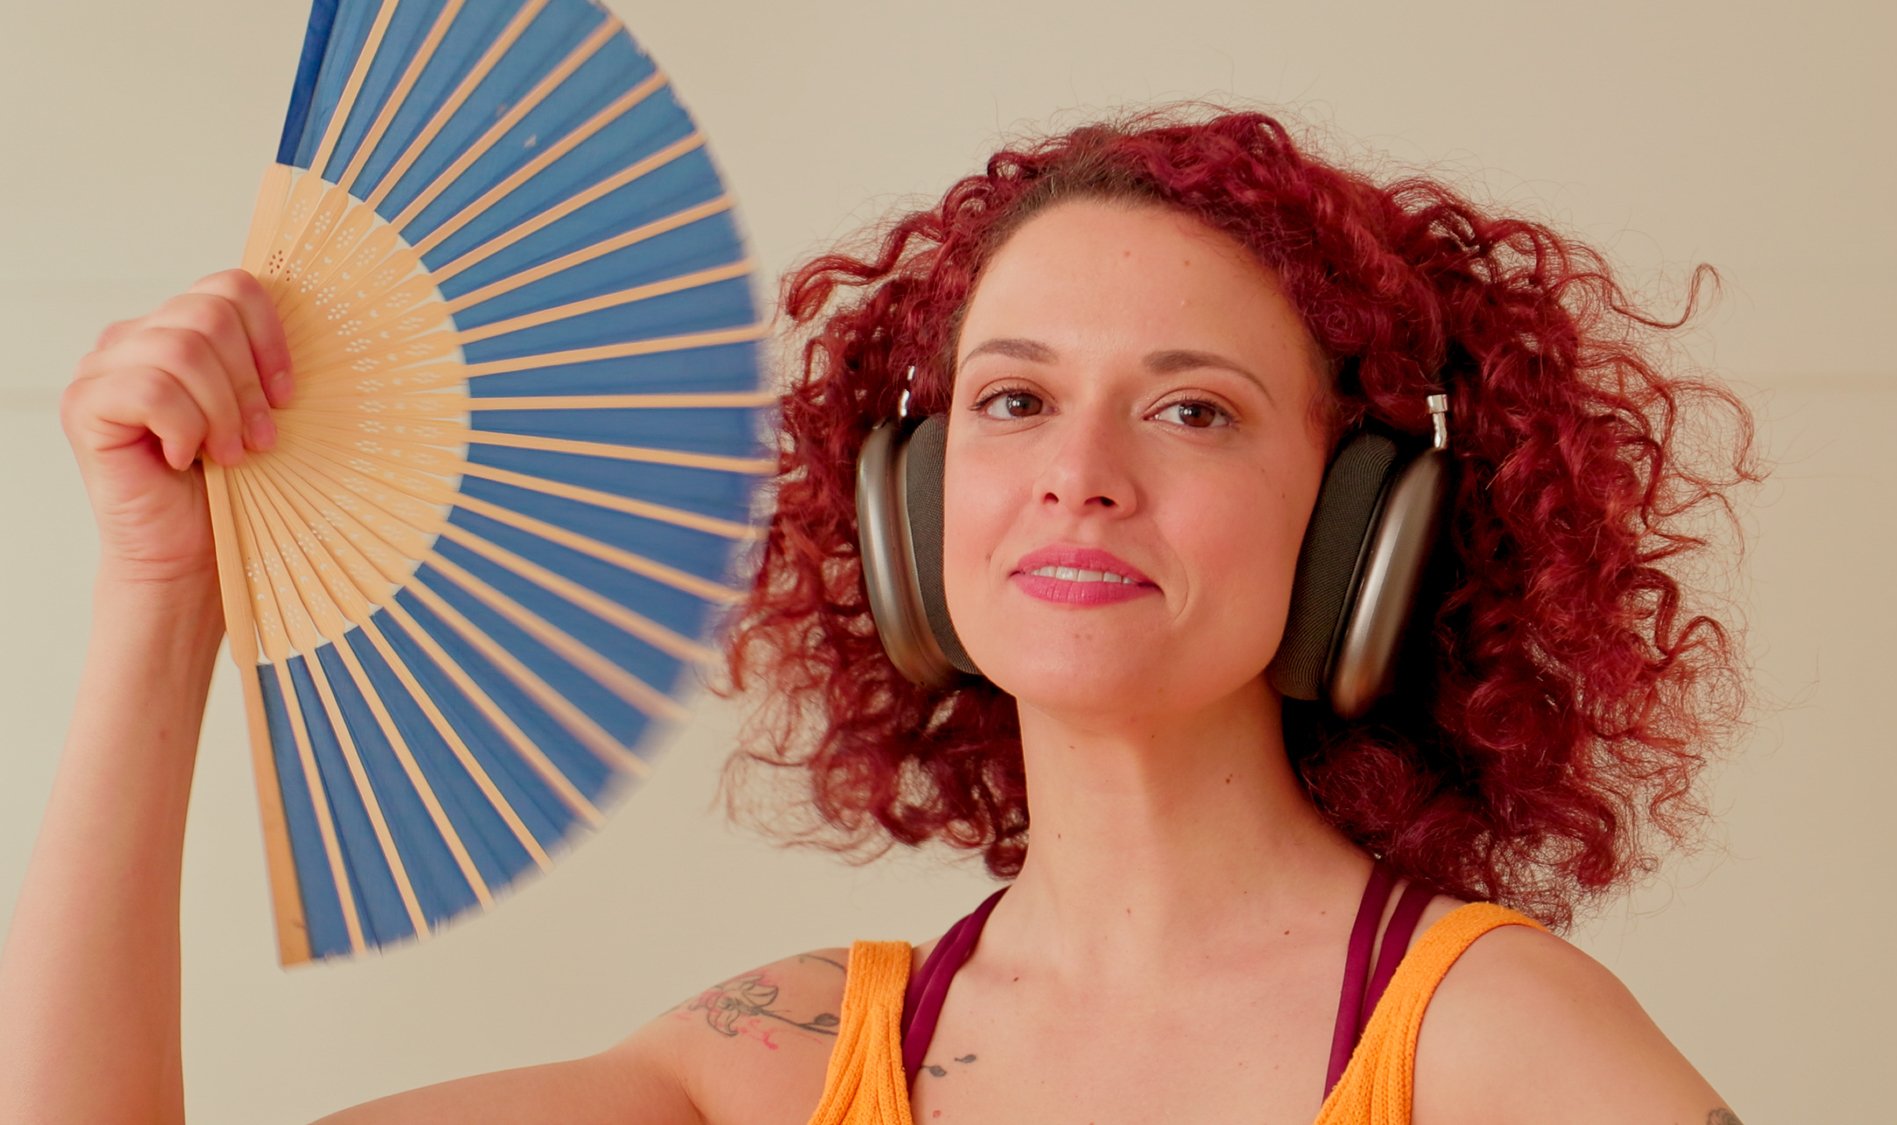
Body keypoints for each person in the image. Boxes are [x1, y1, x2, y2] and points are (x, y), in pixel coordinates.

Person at [0, 106, 1756, 1124]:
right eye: (1009, 401)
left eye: (1194, 407)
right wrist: (167, 598)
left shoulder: (1492, 1039)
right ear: (909, 510)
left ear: (1367, 519)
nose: (1078, 471)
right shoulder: (776, 1061)